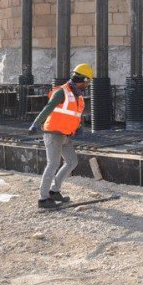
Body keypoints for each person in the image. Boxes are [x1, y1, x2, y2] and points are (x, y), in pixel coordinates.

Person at [29, 63, 93, 208]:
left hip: (66, 135)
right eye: (87, 81)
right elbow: (48, 108)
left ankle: (54, 191)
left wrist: (79, 127)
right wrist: (35, 123)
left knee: (72, 161)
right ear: (82, 79)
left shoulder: (79, 96)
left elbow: (73, 115)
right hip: (53, 133)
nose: (88, 84)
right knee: (52, 164)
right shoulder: (62, 92)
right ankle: (43, 199)